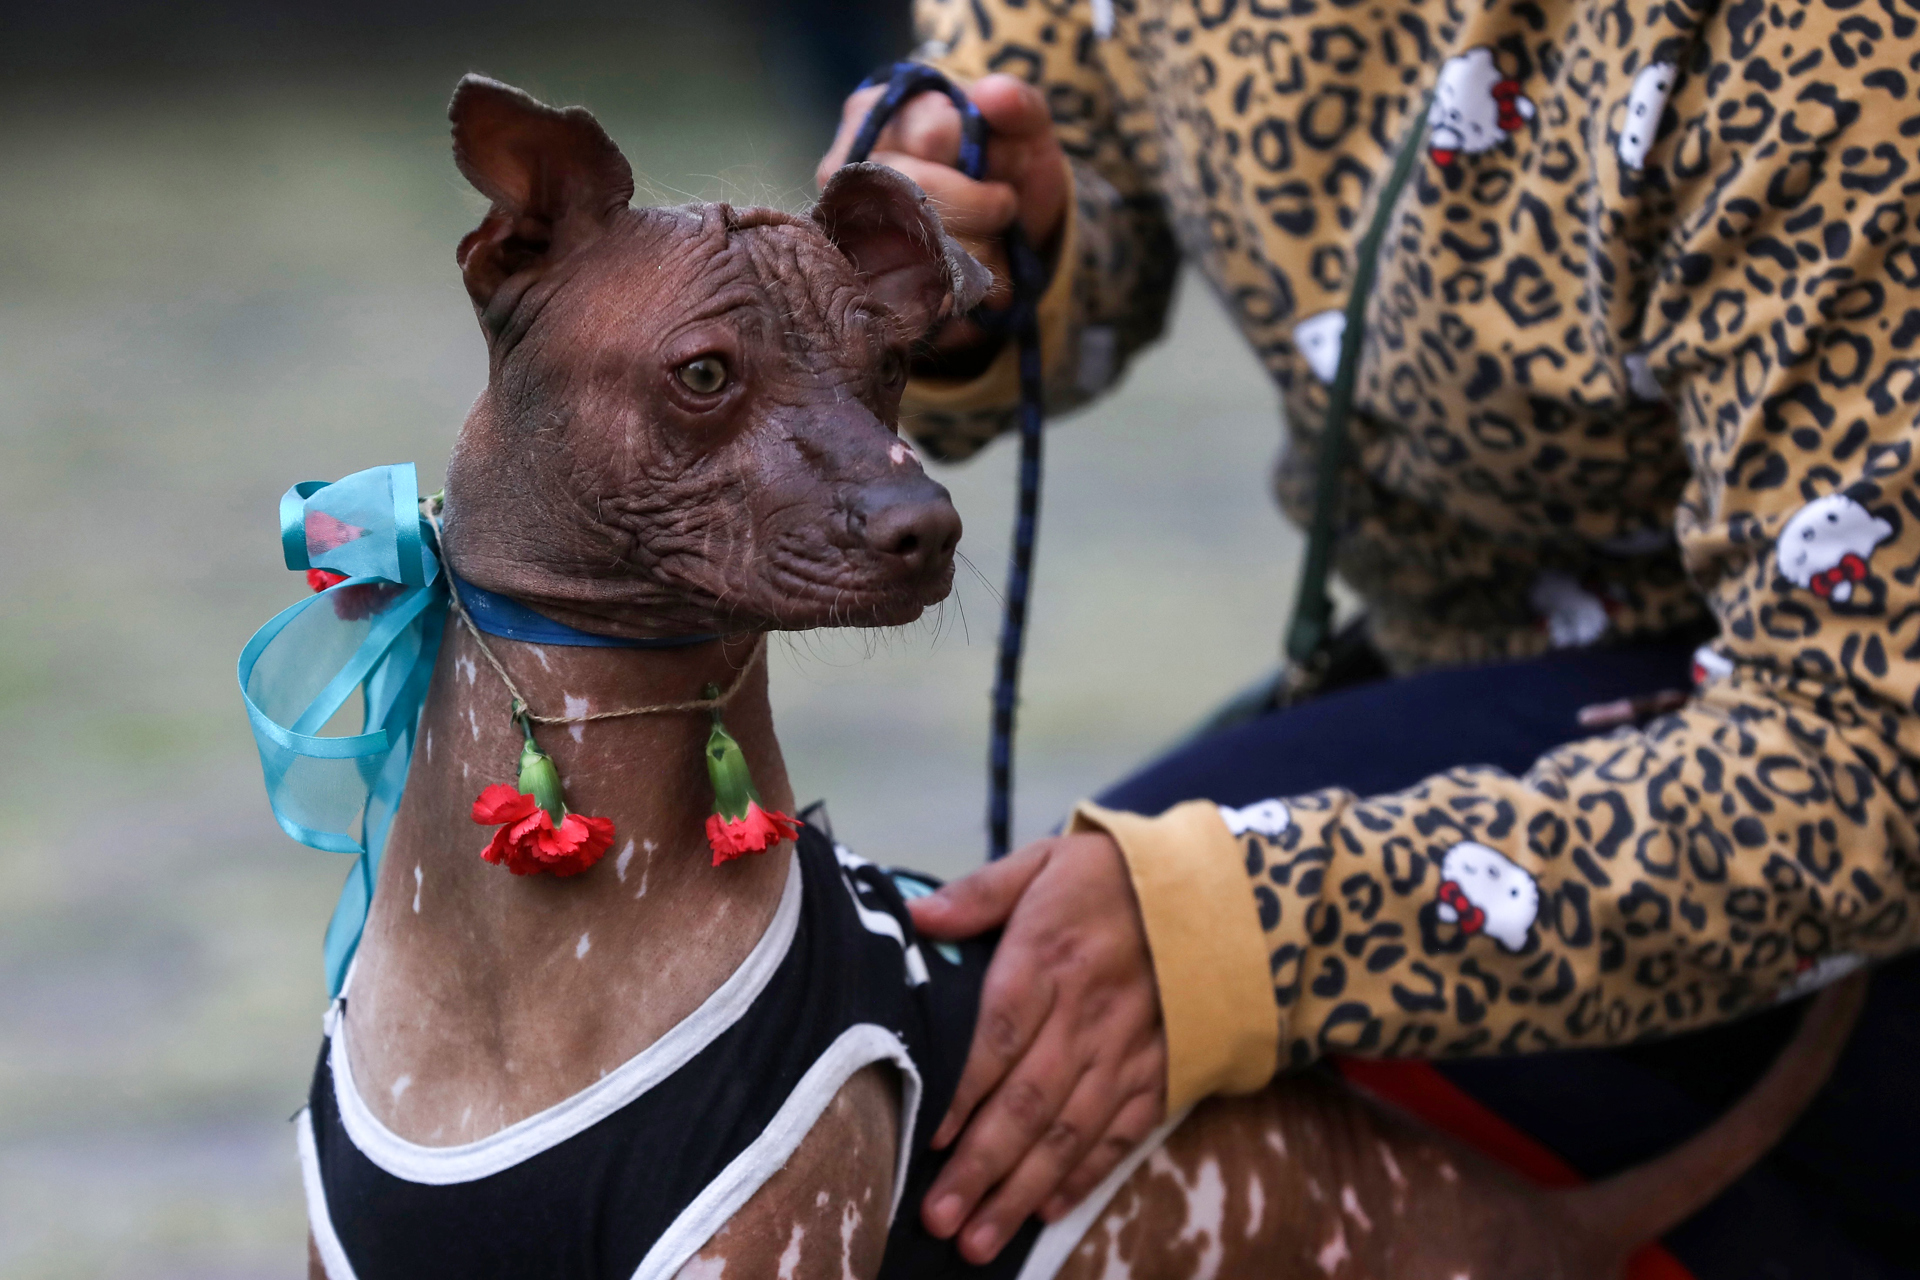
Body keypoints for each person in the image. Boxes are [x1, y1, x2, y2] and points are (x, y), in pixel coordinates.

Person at [817, 0, 1920, 1274]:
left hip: (1787, 776)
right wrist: (983, 232)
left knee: (1043, 1056)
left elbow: (1866, 763)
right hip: (1472, 683)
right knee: (994, 1034)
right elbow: (1081, 137)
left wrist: (1260, 925)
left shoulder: (1818, 36)